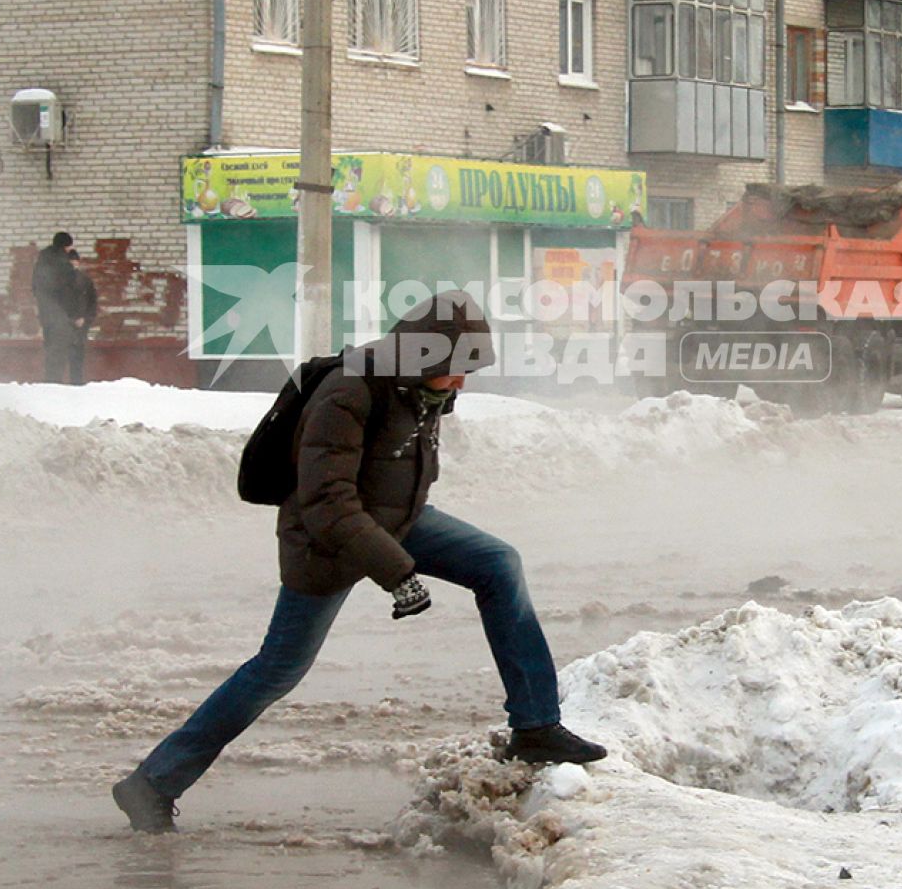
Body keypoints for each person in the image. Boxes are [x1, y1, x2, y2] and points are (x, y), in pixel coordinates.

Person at [112, 291, 605, 833]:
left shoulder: (419, 386)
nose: (462, 383)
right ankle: (152, 783)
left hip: (397, 520)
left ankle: (535, 725)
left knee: (497, 563)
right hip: (326, 541)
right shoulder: (349, 390)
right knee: (275, 670)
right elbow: (326, 501)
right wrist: (396, 572)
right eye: (455, 371)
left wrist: (400, 531)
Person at [31, 231, 79, 384]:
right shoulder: (64, 264)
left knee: (50, 345)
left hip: (45, 312)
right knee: (60, 346)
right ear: (66, 245)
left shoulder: (42, 260)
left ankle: (50, 379)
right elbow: (69, 290)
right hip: (60, 313)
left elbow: (35, 286)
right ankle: (55, 381)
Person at [65, 249, 99, 387]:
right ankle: (57, 385)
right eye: (70, 263)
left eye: (75, 262)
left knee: (77, 355)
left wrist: (85, 319)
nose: (73, 265)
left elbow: (92, 302)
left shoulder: (85, 280)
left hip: (80, 326)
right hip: (63, 325)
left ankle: (76, 383)